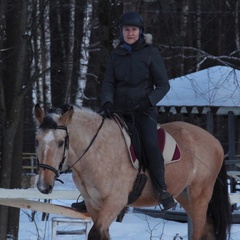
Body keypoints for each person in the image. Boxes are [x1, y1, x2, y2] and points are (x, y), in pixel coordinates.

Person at [72, 11, 176, 212]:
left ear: (140, 32)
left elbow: (163, 85)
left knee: (149, 144)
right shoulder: (116, 55)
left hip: (143, 112)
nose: (130, 33)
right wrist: (108, 101)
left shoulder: (150, 54)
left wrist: (148, 101)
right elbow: (109, 82)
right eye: (127, 29)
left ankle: (162, 190)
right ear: (121, 32)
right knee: (99, 146)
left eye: (134, 29)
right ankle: (90, 196)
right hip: (118, 111)